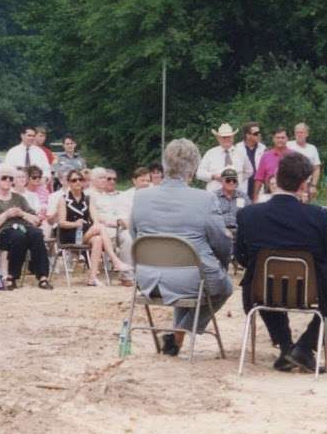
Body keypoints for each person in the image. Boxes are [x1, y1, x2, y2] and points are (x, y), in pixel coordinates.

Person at [236, 151, 327, 373]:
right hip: (310, 288)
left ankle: (288, 347)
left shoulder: (248, 214)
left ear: (276, 177)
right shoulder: (320, 216)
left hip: (262, 290)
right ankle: (304, 347)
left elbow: (241, 257)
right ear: (304, 184)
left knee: (263, 277)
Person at [131, 138, 232, 357]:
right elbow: (221, 242)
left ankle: (175, 339)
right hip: (191, 278)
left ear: (165, 166)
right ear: (194, 168)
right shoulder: (205, 199)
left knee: (193, 271)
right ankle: (180, 332)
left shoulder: (140, 196)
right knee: (222, 286)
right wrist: (223, 264)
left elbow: (134, 235)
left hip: (147, 278)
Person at [0, 163, 51, 289]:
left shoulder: (19, 198)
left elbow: (36, 220)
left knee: (36, 234)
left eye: (10, 178)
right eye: (4, 178)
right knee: (18, 236)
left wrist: (22, 213)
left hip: (24, 227)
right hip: (2, 232)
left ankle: (43, 276)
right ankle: (12, 276)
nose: (8, 180)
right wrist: (6, 215)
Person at [57, 169, 130, 286]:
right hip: (69, 233)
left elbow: (95, 217)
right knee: (99, 229)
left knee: (98, 239)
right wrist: (75, 223)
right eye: (74, 180)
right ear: (69, 183)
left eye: (80, 180)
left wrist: (95, 223)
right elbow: (61, 223)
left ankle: (92, 277)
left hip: (84, 232)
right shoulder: (63, 199)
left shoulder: (88, 199)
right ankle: (115, 259)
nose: (77, 182)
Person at [90, 167, 135, 286]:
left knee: (128, 236)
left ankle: (127, 275)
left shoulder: (106, 195)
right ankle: (124, 271)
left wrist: (122, 221)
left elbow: (118, 213)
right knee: (124, 236)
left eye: (106, 177)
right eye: (102, 178)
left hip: (116, 227)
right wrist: (112, 222)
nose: (105, 180)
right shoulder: (89, 194)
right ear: (93, 180)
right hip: (100, 228)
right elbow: (92, 216)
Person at [196, 122, 244, 194]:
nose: (227, 139)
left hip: (236, 194)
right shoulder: (210, 153)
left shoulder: (241, 153)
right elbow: (199, 173)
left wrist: (238, 180)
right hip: (214, 195)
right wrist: (213, 176)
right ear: (218, 138)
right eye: (224, 137)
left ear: (233, 137)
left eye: (229, 136)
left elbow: (249, 171)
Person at [253, 126, 291, 202]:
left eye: (282, 138)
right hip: (269, 194)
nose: (280, 140)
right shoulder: (266, 156)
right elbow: (259, 179)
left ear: (287, 139)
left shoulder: (294, 156)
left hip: (289, 194)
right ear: (273, 139)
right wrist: (255, 197)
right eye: (277, 137)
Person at [287, 122, 322, 199]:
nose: (299, 135)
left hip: (306, 185)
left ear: (307, 134)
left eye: (301, 132)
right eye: (297, 132)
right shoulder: (288, 145)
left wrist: (313, 185)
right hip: (290, 184)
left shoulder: (312, 148)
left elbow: (316, 168)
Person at [234, 122, 266, 196]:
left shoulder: (263, 149)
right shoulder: (237, 149)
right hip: (242, 187)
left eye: (259, 133)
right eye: (256, 133)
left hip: (258, 188)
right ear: (247, 135)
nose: (259, 135)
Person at [213, 167, 248, 233]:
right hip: (220, 231)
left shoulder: (243, 197)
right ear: (221, 181)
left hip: (239, 231)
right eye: (228, 180)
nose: (231, 182)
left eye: (234, 180)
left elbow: (249, 215)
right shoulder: (214, 197)